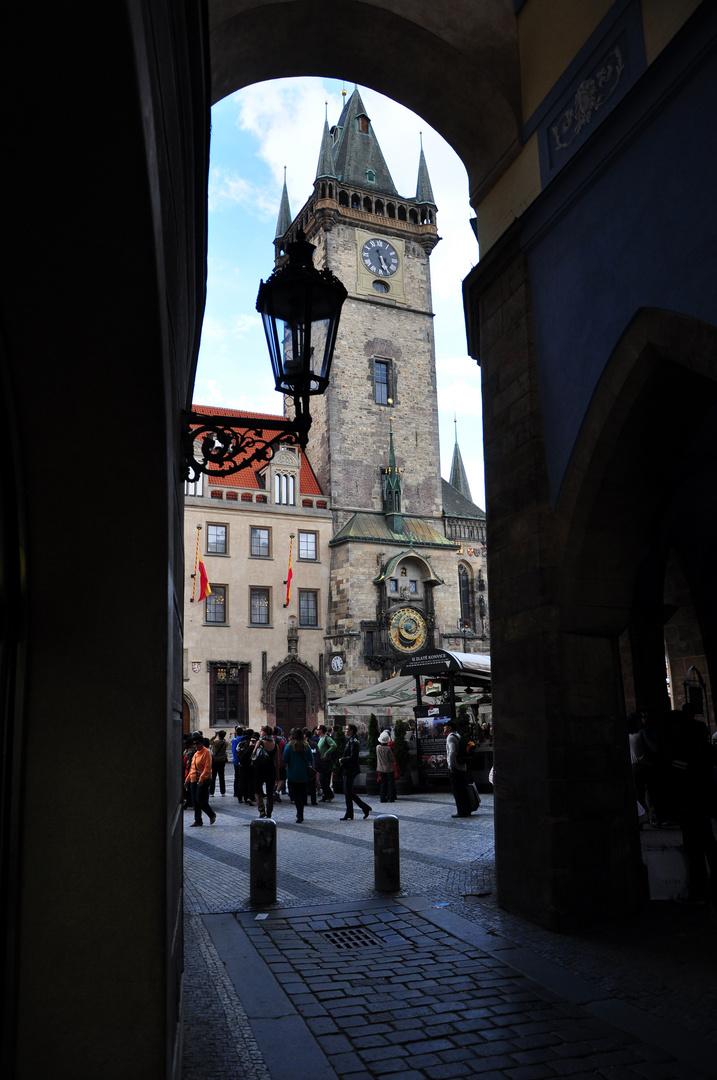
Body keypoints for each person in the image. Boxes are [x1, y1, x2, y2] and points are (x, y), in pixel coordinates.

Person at [668, 708, 717, 904]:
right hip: (700, 801)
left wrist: (680, 802)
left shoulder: (683, 744)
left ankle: (699, 889)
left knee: (695, 847)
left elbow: (681, 777)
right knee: (707, 843)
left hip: (690, 803)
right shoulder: (697, 742)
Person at [339, 723, 372, 820]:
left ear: (351, 731)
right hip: (348, 769)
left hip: (350, 769)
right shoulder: (350, 740)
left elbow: (353, 757)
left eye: (347, 729)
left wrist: (342, 759)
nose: (345, 731)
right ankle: (349, 812)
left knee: (348, 791)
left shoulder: (353, 741)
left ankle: (364, 807)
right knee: (347, 791)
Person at [283, 728, 315, 823]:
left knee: (296, 794)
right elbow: (311, 758)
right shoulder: (306, 746)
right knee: (302, 793)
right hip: (304, 774)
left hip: (293, 773)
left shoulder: (289, 746)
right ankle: (301, 812)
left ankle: (299, 813)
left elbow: (284, 759)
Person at [445, 720, 472, 818]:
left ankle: (461, 811)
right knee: (463, 789)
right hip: (462, 766)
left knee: (457, 790)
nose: (444, 728)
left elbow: (452, 751)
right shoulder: (458, 735)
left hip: (455, 767)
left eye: (446, 726)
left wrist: (451, 765)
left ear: (449, 728)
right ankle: (467, 809)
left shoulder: (450, 738)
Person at [187, 734, 216, 827]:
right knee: (194, 800)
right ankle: (198, 820)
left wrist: (201, 778)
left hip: (203, 780)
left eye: (197, 743)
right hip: (193, 779)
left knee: (200, 799)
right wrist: (187, 780)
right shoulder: (195, 753)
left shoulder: (206, 752)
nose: (195, 745)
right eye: (194, 743)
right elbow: (192, 768)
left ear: (201, 743)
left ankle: (211, 814)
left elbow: (207, 768)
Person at [252, 726, 278, 819]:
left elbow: (253, 755)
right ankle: (269, 812)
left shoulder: (260, 742)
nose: (260, 732)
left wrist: (252, 746)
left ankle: (261, 810)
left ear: (265, 732)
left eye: (261, 731)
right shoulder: (274, 744)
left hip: (260, 768)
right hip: (271, 769)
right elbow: (276, 760)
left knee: (257, 789)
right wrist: (277, 773)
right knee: (270, 792)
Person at [317, 724, 336, 801]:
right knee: (324, 780)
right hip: (321, 762)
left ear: (321, 730)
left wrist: (327, 753)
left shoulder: (326, 738)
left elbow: (334, 745)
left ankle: (330, 794)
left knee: (322, 779)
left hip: (325, 762)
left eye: (318, 729)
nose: (317, 730)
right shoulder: (320, 738)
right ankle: (326, 795)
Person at [376, 730, 396, 803]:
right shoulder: (388, 749)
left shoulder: (377, 747)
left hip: (381, 768)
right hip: (389, 768)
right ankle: (391, 797)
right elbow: (392, 758)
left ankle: (382, 797)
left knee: (383, 783)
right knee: (390, 782)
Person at [209, 729, 229, 796]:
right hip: (222, 760)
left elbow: (210, 741)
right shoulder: (225, 743)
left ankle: (212, 792)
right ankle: (223, 792)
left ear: (218, 735)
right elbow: (225, 741)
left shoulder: (215, 742)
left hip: (215, 760)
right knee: (221, 776)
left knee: (213, 777)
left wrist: (215, 736)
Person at [273, 726, 287, 801]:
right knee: (282, 778)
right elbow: (285, 751)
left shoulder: (269, 740)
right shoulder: (281, 741)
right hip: (280, 762)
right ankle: (277, 792)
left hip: (271, 762)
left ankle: (273, 792)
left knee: (273, 778)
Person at [230, 726, 244, 802]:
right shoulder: (244, 740)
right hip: (243, 761)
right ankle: (242, 792)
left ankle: (236, 792)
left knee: (237, 777)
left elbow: (233, 751)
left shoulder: (234, 740)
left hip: (236, 760)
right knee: (242, 777)